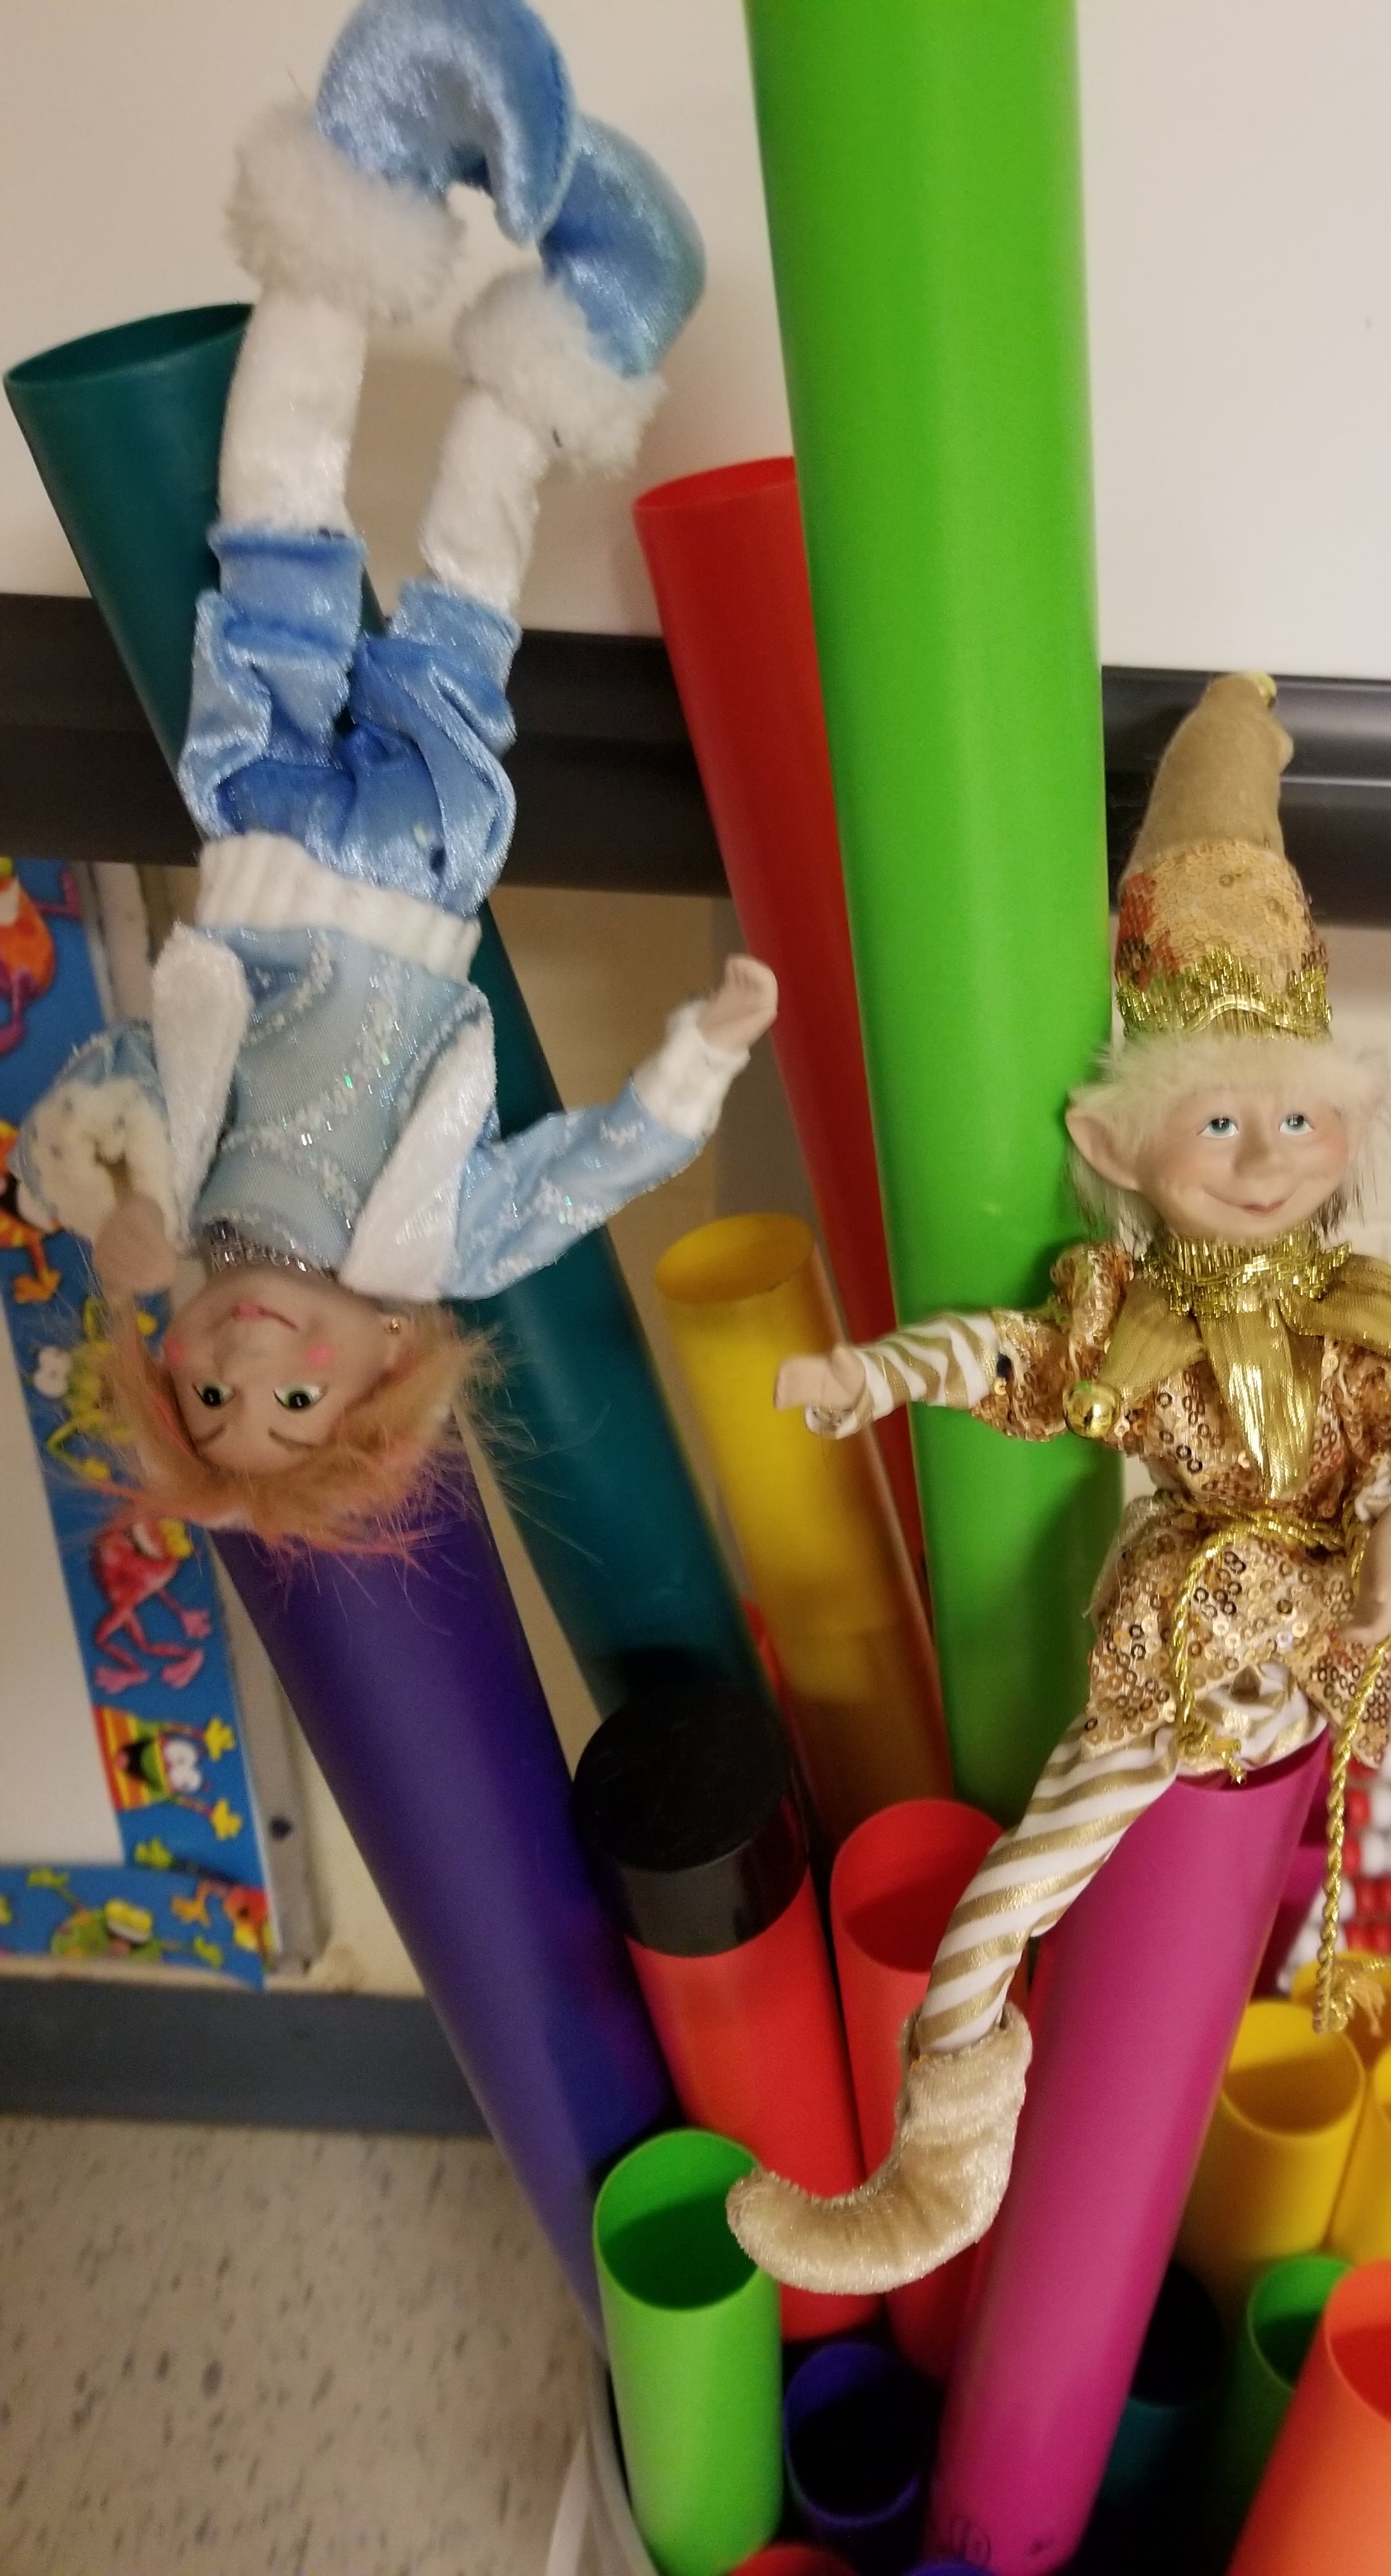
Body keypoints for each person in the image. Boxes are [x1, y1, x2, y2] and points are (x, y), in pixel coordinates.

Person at [728, 672, 1391, 2293]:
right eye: (1215, 1119)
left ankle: (1170, 2220)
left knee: (1223, 1985)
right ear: (1118, 1151)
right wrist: (872, 1376)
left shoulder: (1371, 1319)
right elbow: (1014, 1360)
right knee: (1000, 1909)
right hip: (1168, 1672)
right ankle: (935, 2186)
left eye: (1294, 1115)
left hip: (1309, 1665)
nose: (1263, 1154)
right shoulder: (1135, 1321)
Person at [12, 0, 776, 1545]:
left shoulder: (186, 1185)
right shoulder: (440, 1245)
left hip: (259, 807)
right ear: (384, 1370)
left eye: (207, 1397)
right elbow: (593, 1169)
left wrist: (121, 1203)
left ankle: (360, 175)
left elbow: (110, 1088)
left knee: (274, 536)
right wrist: (702, 1053)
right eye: (296, 1405)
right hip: (427, 854)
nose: (250, 1370)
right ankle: (596, 312)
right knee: (467, 580)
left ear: (167, 1357)